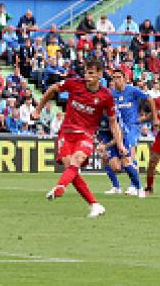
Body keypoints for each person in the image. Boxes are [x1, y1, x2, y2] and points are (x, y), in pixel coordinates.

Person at [31, 60, 121, 218]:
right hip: (66, 133)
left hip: (86, 134)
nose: (88, 76)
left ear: (100, 75)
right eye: (86, 72)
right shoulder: (74, 84)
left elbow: (113, 122)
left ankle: (60, 186)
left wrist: (119, 143)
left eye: (92, 73)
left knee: (77, 160)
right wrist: (38, 109)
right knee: (70, 168)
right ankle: (95, 204)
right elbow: (53, 88)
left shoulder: (106, 96)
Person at [101, 71, 147, 197]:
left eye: (118, 77)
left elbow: (148, 100)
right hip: (114, 129)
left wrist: (144, 116)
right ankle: (116, 186)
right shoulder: (111, 95)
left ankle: (135, 186)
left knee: (129, 157)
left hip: (130, 127)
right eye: (114, 78)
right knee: (107, 160)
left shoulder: (133, 90)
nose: (116, 80)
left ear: (125, 79)